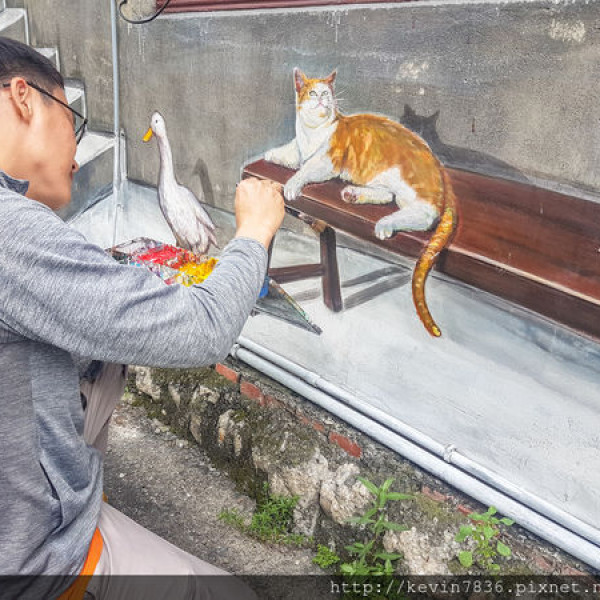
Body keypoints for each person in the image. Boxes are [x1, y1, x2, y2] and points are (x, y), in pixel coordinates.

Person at [0, 37, 284, 600]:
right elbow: (203, 327)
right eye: (73, 124)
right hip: (33, 558)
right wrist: (254, 233)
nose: (75, 155)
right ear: (23, 98)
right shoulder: (13, 230)